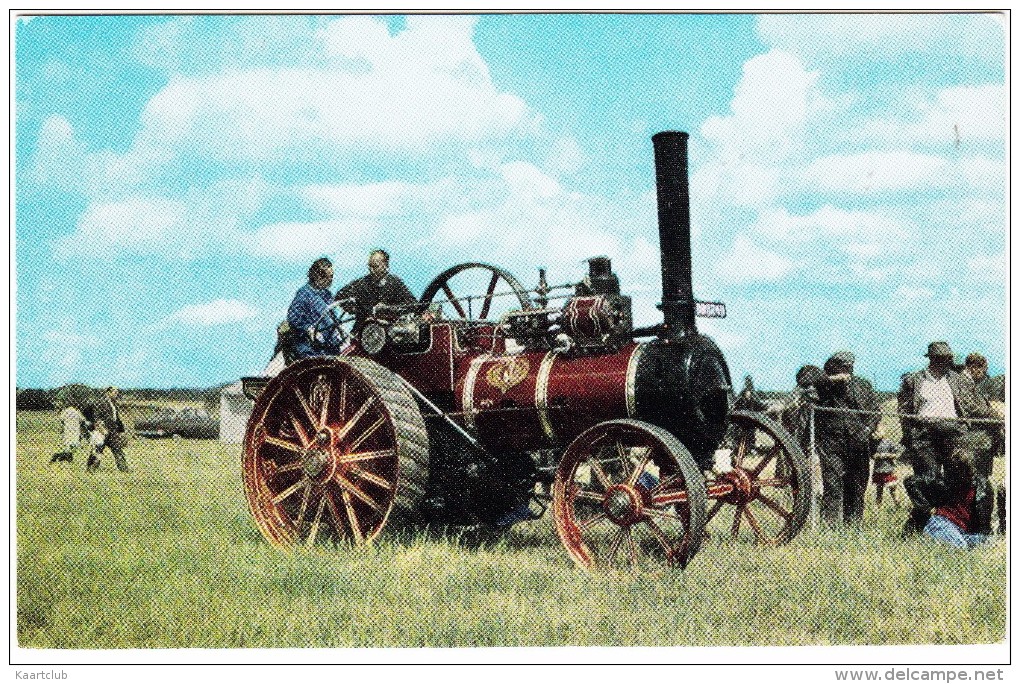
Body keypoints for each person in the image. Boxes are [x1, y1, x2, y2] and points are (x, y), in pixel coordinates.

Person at [897, 342, 994, 479]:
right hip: (925, 434)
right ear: (932, 359)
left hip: (952, 433)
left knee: (957, 478)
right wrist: (909, 434)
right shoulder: (915, 380)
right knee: (928, 478)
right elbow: (904, 410)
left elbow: (967, 402)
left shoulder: (955, 379)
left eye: (948, 358)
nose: (948, 362)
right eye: (943, 358)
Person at [813, 350, 880, 525]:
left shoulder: (863, 385)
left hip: (858, 442)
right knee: (833, 485)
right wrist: (831, 379)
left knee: (857, 486)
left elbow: (875, 411)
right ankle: (830, 525)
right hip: (831, 442)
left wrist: (867, 430)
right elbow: (805, 379)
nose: (846, 370)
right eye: (841, 366)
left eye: (848, 367)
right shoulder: (824, 384)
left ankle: (853, 525)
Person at [903, 444, 992, 549]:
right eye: (957, 471)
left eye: (966, 470)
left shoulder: (983, 487)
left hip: (966, 531)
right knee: (960, 547)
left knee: (989, 543)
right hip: (943, 522)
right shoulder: (945, 482)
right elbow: (910, 482)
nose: (962, 475)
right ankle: (928, 538)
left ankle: (934, 540)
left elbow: (985, 522)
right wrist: (926, 509)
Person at [335, 249, 416, 335]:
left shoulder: (395, 283)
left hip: (389, 333)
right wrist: (358, 310)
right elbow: (340, 296)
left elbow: (413, 303)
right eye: (370, 266)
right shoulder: (361, 283)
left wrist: (388, 309)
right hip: (363, 332)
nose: (371, 270)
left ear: (386, 265)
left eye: (375, 266)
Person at [286, 257, 345, 360]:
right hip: (312, 349)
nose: (332, 280)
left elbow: (332, 318)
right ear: (318, 276)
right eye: (329, 277)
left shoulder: (327, 294)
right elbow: (293, 318)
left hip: (330, 346)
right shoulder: (304, 294)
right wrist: (308, 328)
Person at [962, 352, 1005, 478]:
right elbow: (971, 406)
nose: (984, 375)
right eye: (983, 370)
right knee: (977, 475)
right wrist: (994, 415)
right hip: (973, 433)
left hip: (979, 433)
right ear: (974, 368)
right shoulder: (964, 382)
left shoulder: (972, 383)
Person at [84, 386, 129, 473]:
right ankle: (90, 469)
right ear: (108, 392)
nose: (117, 394)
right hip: (103, 431)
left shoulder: (114, 404)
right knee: (97, 449)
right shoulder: (101, 403)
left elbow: (116, 418)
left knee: (117, 449)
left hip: (112, 431)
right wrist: (102, 430)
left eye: (117, 392)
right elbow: (96, 418)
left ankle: (124, 469)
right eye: (115, 392)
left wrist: (121, 430)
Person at [871, 438, 902, 508]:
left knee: (893, 488)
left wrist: (886, 455)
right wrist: (878, 456)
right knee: (879, 490)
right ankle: (878, 506)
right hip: (878, 470)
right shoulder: (874, 443)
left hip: (889, 470)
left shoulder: (889, 442)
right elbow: (872, 455)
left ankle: (897, 504)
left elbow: (896, 455)